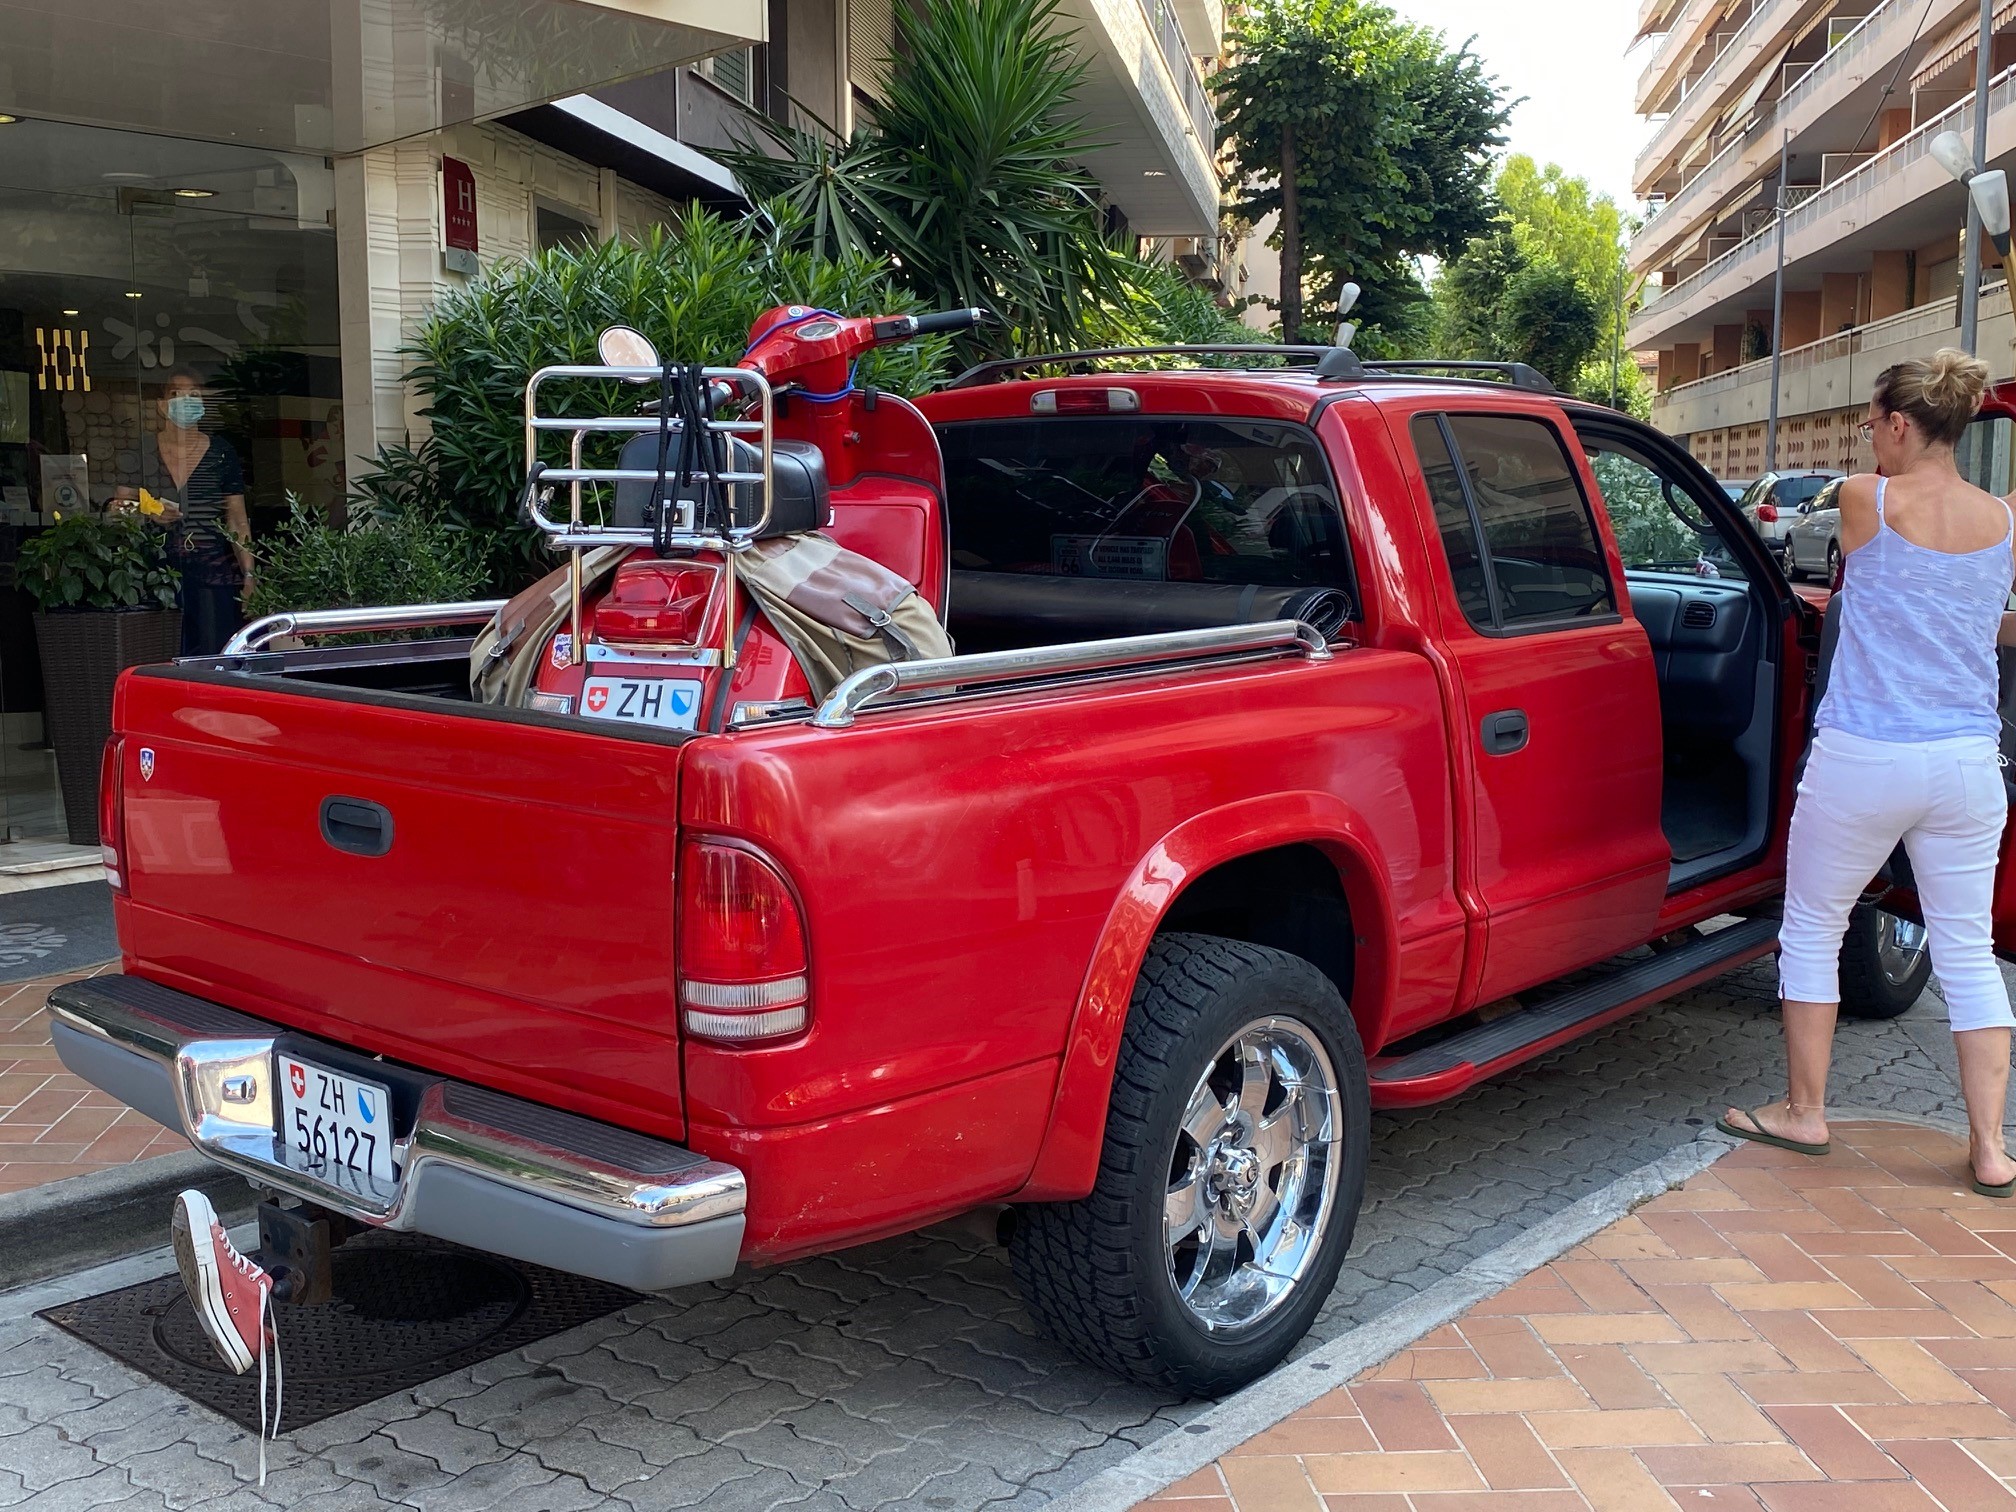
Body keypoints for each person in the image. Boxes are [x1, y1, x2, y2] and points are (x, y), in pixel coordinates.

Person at [1718, 348, 2016, 1197]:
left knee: (1813, 927)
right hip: (1964, 763)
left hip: (1864, 755)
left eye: (1869, 423)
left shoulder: (1863, 499)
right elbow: (1979, 623)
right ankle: (1991, 1148)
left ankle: (1805, 1113)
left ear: (1895, 424)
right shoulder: (2004, 522)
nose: (1867, 439)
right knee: (1966, 950)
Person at [118, 367, 253, 655]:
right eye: (176, 394)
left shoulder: (221, 452)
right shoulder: (141, 450)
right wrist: (147, 512)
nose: (186, 400)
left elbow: (237, 518)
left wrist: (250, 575)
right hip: (154, 572)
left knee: (215, 655)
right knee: (160, 654)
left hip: (214, 573)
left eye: (194, 394)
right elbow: (118, 508)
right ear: (161, 404)